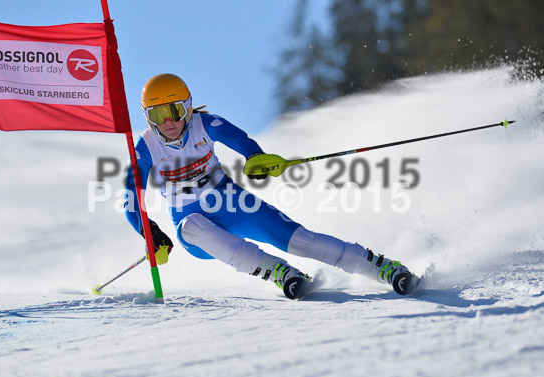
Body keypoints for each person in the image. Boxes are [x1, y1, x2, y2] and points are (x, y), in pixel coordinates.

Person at [124, 73, 419, 299]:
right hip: (196, 229)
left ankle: (381, 267)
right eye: (157, 115)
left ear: (187, 107)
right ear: (148, 119)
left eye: (174, 110)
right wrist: (149, 231)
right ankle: (276, 271)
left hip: (231, 203)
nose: (169, 122)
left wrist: (256, 159)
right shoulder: (147, 146)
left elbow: (241, 141)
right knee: (191, 225)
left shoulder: (205, 124)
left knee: (300, 240)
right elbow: (130, 197)